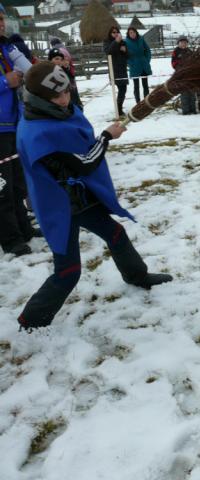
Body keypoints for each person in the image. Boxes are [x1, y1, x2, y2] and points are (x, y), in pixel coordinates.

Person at [16, 62, 173, 330]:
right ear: (42, 99)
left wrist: (102, 136)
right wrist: (107, 136)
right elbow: (85, 161)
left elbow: (78, 144)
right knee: (68, 272)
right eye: (58, 96)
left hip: (78, 199)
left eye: (67, 91)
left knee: (116, 234)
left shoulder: (58, 114)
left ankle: (137, 276)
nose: (65, 98)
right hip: (59, 207)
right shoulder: (39, 131)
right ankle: (30, 320)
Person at [0, 7, 37, 257]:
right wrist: (5, 81)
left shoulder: (5, 47)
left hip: (13, 123)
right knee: (2, 186)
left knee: (17, 181)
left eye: (1, 18)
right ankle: (10, 239)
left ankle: (24, 229)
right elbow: (7, 79)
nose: (1, 24)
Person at [103, 26, 128, 117]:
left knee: (123, 89)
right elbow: (108, 52)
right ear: (110, 33)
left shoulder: (123, 42)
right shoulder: (107, 42)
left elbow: (127, 56)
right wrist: (116, 42)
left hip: (122, 69)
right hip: (114, 70)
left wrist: (125, 51)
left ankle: (119, 108)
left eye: (117, 32)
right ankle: (119, 110)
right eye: (113, 32)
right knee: (120, 89)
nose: (115, 33)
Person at [124, 27, 152, 103]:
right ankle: (138, 102)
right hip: (134, 66)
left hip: (144, 64)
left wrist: (147, 60)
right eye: (130, 33)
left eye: (133, 32)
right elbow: (125, 55)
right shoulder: (126, 42)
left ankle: (146, 102)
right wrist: (131, 63)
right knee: (136, 86)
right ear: (128, 34)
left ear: (136, 32)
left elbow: (147, 50)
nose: (132, 34)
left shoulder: (141, 39)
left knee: (145, 85)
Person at [171, 36, 196, 115]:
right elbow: (173, 63)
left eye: (185, 43)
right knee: (184, 93)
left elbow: (194, 62)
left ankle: (193, 109)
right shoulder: (176, 51)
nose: (183, 44)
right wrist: (180, 68)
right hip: (181, 75)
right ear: (178, 43)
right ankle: (186, 110)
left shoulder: (189, 51)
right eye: (181, 43)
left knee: (192, 92)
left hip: (190, 75)